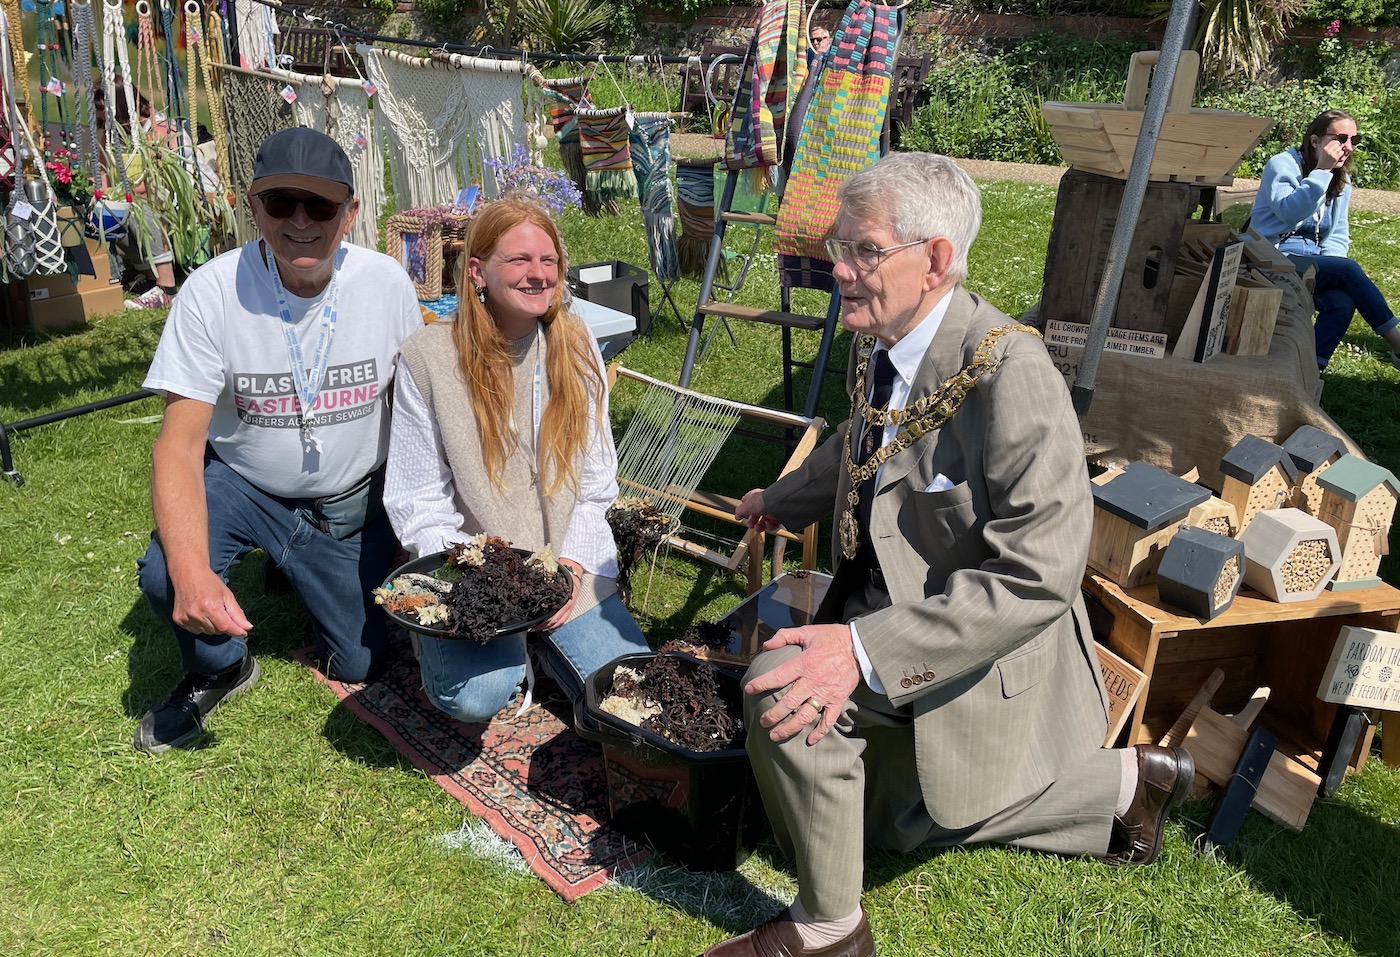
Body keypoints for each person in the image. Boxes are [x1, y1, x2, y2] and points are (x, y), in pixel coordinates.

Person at [715, 153, 1193, 957]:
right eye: (840, 245)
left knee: (779, 688)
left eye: (862, 250)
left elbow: (1039, 574)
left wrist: (861, 650)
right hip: (901, 611)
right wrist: (781, 498)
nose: (838, 268)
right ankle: (1122, 786)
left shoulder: (1013, 373)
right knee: (892, 817)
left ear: (934, 259)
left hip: (986, 646)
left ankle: (830, 929)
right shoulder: (889, 338)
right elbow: (858, 446)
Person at [133, 127, 423, 752]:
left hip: (352, 498)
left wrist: (408, 529)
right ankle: (221, 665)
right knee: (164, 577)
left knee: (361, 664)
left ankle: (303, 568)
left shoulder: (387, 283)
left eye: (318, 205)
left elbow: (413, 415)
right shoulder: (211, 292)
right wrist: (189, 571)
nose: (299, 220)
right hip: (247, 484)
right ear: (252, 205)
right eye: (279, 202)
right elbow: (178, 447)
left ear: (349, 213)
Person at [384, 199, 650, 723]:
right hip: (475, 567)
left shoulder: (576, 347)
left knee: (632, 696)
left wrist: (571, 571)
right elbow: (417, 497)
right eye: (520, 261)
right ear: (478, 271)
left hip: (563, 557)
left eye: (549, 261)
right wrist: (501, 584)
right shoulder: (429, 357)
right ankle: (487, 648)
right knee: (477, 695)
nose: (539, 274)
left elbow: (597, 481)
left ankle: (545, 645)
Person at [1250, 108, 1400, 371]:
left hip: (1313, 258)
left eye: (1355, 140)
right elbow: (1289, 212)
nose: (1348, 147)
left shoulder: (1342, 179)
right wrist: (1321, 171)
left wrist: (1333, 267)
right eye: (1341, 138)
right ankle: (1396, 341)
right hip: (1271, 254)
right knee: (1348, 269)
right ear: (1315, 140)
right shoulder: (1282, 165)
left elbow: (1337, 234)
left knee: (1342, 300)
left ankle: (1308, 369)